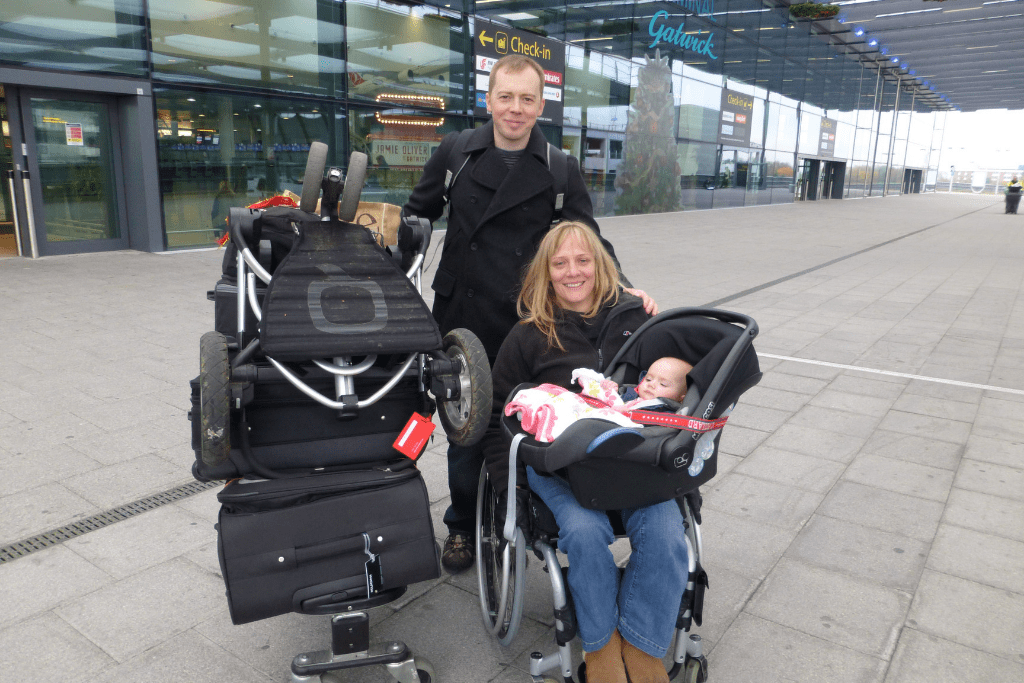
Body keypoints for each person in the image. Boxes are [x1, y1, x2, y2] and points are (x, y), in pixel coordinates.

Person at [402, 54, 656, 573]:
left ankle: (515, 516)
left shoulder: (559, 167)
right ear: (488, 99)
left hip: (528, 322)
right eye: (505, 96)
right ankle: (461, 524)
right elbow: (416, 214)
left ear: (541, 104)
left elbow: (590, 241)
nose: (515, 109)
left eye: (526, 99)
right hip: (463, 319)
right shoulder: (457, 153)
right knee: (466, 431)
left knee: (527, 424)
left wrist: (626, 291)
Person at [483, 221, 686, 683]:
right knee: (584, 530)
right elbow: (498, 415)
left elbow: (673, 385)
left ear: (600, 265)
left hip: (631, 458)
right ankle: (599, 646)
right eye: (560, 264)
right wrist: (508, 488)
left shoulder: (637, 318)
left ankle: (640, 643)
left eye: (583, 260)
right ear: (546, 272)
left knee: (667, 532)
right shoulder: (528, 333)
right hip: (559, 467)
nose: (572, 272)